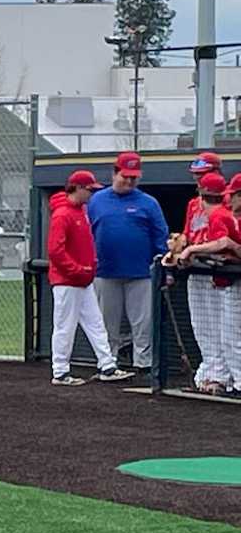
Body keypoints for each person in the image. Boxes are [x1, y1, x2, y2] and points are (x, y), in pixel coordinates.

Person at [46, 170, 133, 388]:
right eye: (89, 189)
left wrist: (87, 269)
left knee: (96, 324)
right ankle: (60, 371)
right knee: (65, 326)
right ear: (78, 188)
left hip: (82, 279)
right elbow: (55, 251)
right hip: (67, 280)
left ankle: (107, 366)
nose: (91, 194)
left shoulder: (80, 210)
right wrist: (76, 269)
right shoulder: (63, 214)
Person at [86, 152, 169, 376]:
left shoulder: (148, 203)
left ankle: (143, 363)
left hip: (141, 272)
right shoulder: (97, 200)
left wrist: (163, 265)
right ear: (115, 173)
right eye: (126, 176)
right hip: (105, 271)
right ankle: (108, 362)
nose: (130, 181)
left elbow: (160, 236)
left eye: (134, 177)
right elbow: (87, 233)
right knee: (106, 322)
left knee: (143, 322)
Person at [182, 172, 231, 394]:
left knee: (221, 326)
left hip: (217, 271)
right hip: (197, 268)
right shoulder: (193, 205)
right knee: (201, 325)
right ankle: (209, 372)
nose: (199, 178)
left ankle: (223, 376)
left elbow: (221, 242)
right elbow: (188, 233)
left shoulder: (224, 208)